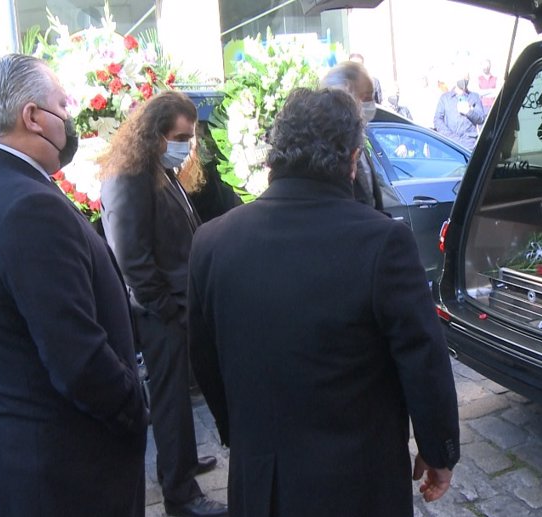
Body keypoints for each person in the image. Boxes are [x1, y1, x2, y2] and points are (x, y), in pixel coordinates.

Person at [188, 87, 460, 517]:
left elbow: (204, 361)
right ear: (352, 159)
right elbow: (423, 357)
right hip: (358, 483)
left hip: (263, 481)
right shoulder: (383, 242)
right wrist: (438, 448)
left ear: (273, 154)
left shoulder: (212, 242)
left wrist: (240, 434)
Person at [0, 53, 148, 516]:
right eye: (62, 104)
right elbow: (75, 356)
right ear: (33, 117)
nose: (70, 116)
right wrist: (133, 408)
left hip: (22, 453)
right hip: (68, 468)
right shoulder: (27, 206)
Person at [99, 91, 227, 517]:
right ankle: (180, 494)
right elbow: (131, 258)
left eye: (189, 137)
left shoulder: (160, 171)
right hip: (160, 312)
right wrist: (166, 309)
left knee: (182, 395)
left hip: (178, 304)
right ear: (155, 134)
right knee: (170, 401)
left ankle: (184, 462)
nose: (185, 146)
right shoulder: (128, 176)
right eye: (180, 137)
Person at [320, 61, 383, 210]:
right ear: (347, 91)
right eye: (366, 96)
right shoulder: (328, 147)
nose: (370, 103)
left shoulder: (358, 138)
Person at [434, 66, 485, 150]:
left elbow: (481, 119)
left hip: (470, 143)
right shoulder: (445, 98)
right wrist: (450, 136)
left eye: (467, 79)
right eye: (462, 78)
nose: (465, 81)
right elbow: (437, 120)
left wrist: (468, 112)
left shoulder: (474, 97)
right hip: (450, 143)